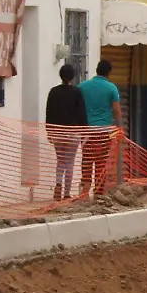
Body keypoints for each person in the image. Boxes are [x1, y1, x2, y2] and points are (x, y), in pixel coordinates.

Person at [78, 60, 123, 196]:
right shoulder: (111, 88)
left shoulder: (82, 86)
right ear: (109, 72)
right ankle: (99, 193)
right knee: (101, 163)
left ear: (96, 70)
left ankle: (84, 194)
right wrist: (120, 128)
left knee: (86, 162)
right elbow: (116, 110)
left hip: (86, 132)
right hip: (104, 132)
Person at [45, 64, 86, 199]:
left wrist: (49, 131)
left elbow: (49, 113)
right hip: (72, 133)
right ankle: (67, 193)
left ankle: (58, 185)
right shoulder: (77, 92)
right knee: (69, 162)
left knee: (60, 161)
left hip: (57, 132)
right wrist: (84, 132)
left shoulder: (53, 92)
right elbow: (81, 114)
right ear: (72, 77)